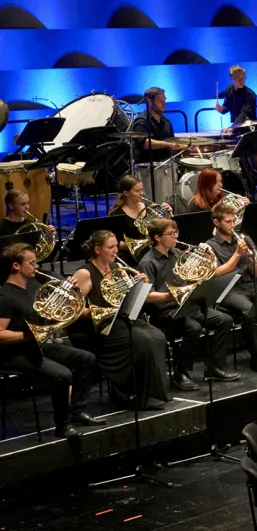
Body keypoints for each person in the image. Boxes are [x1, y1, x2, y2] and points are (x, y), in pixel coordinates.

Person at [0, 243, 100, 438]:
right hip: (13, 353)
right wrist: (29, 335)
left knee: (87, 359)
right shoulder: (5, 296)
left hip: (37, 345)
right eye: (31, 263)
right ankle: (62, 425)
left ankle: (76, 411)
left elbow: (49, 316)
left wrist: (65, 294)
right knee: (62, 375)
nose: (36, 267)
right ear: (16, 266)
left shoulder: (34, 286)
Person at [69, 230, 170, 410]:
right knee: (143, 341)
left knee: (158, 336)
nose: (116, 250)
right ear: (98, 249)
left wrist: (141, 285)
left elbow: (129, 298)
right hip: (99, 328)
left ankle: (154, 392)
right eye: (111, 247)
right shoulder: (85, 273)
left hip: (120, 320)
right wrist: (99, 312)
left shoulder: (117, 269)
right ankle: (130, 395)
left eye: (116, 246)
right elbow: (73, 310)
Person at [140, 218, 239, 389]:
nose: (176, 236)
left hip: (187, 305)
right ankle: (181, 373)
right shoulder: (148, 262)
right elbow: (146, 296)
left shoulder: (177, 254)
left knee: (224, 320)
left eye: (176, 233)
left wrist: (206, 255)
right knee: (193, 328)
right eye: (171, 234)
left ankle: (214, 368)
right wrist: (167, 296)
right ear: (157, 237)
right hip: (164, 311)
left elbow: (203, 273)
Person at [206, 201, 257, 372]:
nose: (232, 225)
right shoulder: (210, 246)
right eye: (228, 222)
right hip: (229, 290)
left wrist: (252, 257)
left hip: (249, 285)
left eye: (233, 221)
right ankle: (256, 359)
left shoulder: (243, 240)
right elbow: (217, 273)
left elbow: (256, 272)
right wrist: (237, 254)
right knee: (250, 311)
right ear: (216, 223)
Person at [134, 87, 188, 163]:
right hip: (147, 167)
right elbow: (144, 143)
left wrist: (188, 146)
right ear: (150, 101)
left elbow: (173, 143)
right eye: (160, 101)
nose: (164, 104)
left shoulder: (166, 122)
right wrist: (167, 144)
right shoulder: (142, 120)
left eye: (164, 100)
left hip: (166, 165)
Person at [108, 176, 154, 257]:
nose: (141, 193)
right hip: (128, 256)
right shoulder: (117, 215)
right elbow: (115, 243)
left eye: (141, 190)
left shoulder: (148, 208)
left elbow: (160, 229)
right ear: (126, 193)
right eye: (137, 191)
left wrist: (167, 214)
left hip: (150, 253)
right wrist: (140, 245)